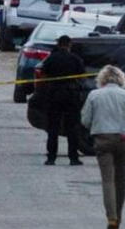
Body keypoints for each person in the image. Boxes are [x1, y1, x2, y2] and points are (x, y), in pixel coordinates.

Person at [81, 65, 125, 229]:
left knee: (107, 180)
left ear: (101, 79)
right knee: (121, 179)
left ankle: (112, 218)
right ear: (120, 79)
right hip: (123, 139)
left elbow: (85, 120)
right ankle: (119, 215)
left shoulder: (94, 95)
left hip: (102, 139)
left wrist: (95, 125)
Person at [42, 35, 85, 166]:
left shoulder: (51, 58)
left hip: (54, 94)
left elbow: (44, 73)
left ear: (58, 44)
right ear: (69, 45)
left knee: (53, 127)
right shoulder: (75, 59)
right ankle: (73, 157)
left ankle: (51, 158)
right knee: (72, 127)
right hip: (71, 95)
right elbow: (81, 75)